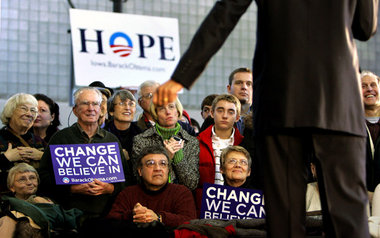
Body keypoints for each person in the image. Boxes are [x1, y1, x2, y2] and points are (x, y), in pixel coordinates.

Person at [153, 1, 378, 237]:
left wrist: (181, 76)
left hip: (280, 100)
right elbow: (364, 27)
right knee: (349, 220)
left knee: (285, 221)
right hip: (338, 99)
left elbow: (224, 15)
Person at [38, 87, 131, 224]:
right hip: (69, 216)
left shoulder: (111, 140)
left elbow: (126, 180)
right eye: (85, 103)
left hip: (106, 216)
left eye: (95, 104)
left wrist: (110, 188)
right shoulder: (60, 139)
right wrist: (71, 188)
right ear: (75, 110)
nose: (90, 108)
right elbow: (44, 177)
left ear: (101, 110)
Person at [107, 146, 196, 227]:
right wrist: (133, 215)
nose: (158, 168)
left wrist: (159, 218)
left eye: (163, 164)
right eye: (151, 163)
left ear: (168, 170)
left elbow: (190, 222)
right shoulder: (128, 193)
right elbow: (110, 222)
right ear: (140, 171)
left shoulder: (181, 192)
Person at [132, 98, 199, 191]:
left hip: (180, 199)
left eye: (171, 107)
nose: (168, 112)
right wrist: (166, 157)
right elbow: (138, 179)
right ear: (155, 114)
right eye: (161, 109)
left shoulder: (191, 141)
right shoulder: (141, 140)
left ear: (178, 111)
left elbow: (191, 184)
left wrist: (178, 158)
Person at [196, 94, 243, 211]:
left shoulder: (245, 144)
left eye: (231, 112)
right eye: (220, 110)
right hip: (203, 207)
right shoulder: (196, 143)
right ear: (212, 113)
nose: (225, 116)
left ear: (237, 117)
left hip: (236, 206)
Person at [0, 93, 45, 192]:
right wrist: (6, 158)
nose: (29, 114)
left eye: (33, 110)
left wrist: (43, 156)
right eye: (24, 109)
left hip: (37, 198)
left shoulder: (39, 141)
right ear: (10, 112)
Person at [104, 90, 142, 173]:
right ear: (111, 111)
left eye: (131, 104)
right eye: (121, 103)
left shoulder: (142, 135)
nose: (127, 108)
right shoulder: (102, 135)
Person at [361, 71, 380, 196]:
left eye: (373, 85)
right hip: (359, 197)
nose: (369, 89)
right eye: (363, 86)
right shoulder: (349, 125)